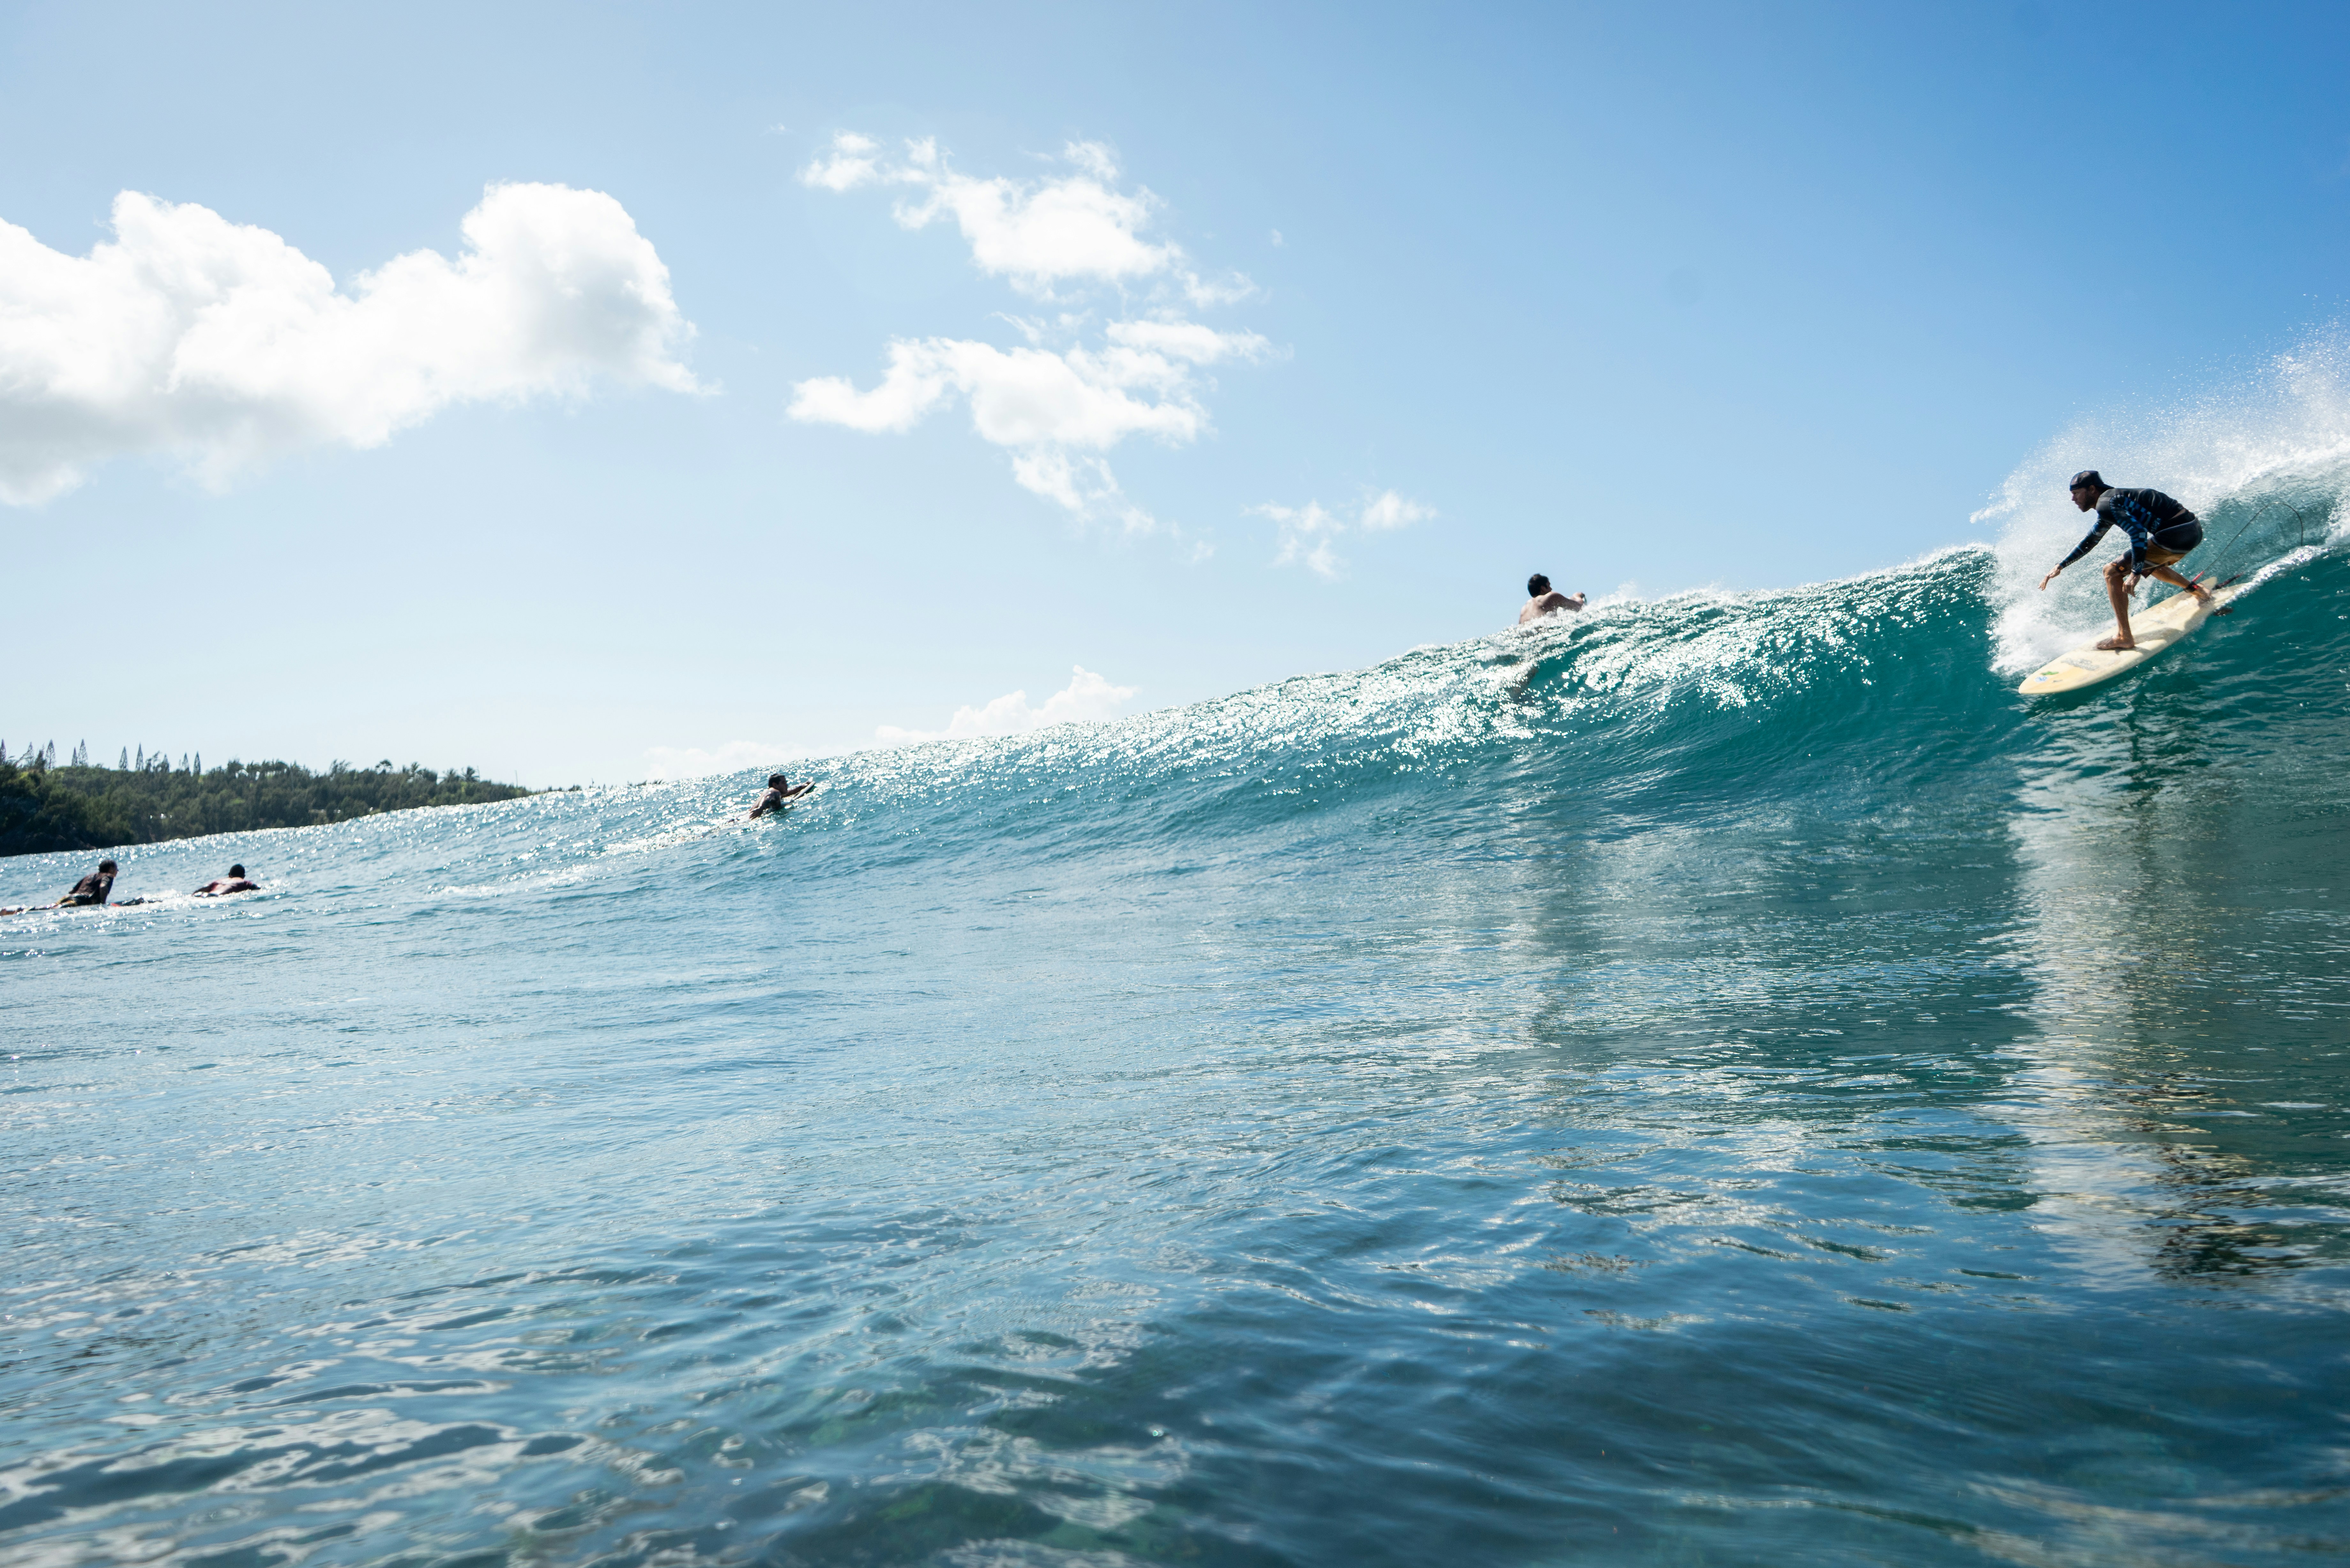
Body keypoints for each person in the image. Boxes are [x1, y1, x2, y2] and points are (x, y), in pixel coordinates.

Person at [2037, 470, 2212, 651]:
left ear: (2091, 489)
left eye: (2076, 493)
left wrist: (2135, 573)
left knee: (2111, 571)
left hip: (2175, 536)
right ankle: (2199, 592)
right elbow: (2091, 540)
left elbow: (2138, 533)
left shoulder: (2107, 504)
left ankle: (2124, 637)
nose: (2073, 499)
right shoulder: (2114, 500)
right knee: (2146, 560)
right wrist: (2061, 565)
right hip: (2192, 530)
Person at [1518, 573, 1588, 624]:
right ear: (1543, 588)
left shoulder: (1524, 609)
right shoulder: (1551, 596)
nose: (1551, 589)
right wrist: (1577, 596)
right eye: (1549, 586)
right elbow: (1580, 607)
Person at [747, 772, 815, 819]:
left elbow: (787, 793)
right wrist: (761, 809)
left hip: (747, 816)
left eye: (786, 783)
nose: (787, 785)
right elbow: (768, 798)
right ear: (775, 785)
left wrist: (801, 787)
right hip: (753, 818)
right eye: (783, 783)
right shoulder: (774, 791)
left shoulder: (771, 792)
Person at [194, 864, 260, 897]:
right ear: (244, 877)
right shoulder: (244, 882)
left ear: (229, 875)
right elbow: (255, 888)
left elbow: (203, 889)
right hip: (218, 896)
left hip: (205, 895)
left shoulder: (220, 881)